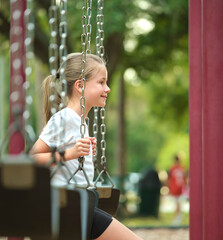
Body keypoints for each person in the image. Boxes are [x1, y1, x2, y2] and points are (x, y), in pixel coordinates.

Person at [30, 53, 142, 240]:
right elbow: (31, 159)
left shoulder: (78, 120)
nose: (107, 89)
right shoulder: (65, 118)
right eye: (101, 82)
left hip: (82, 205)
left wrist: (82, 154)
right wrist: (69, 153)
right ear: (80, 85)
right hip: (69, 207)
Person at [168, 155, 187, 225]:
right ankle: (178, 216)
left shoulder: (172, 168)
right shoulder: (182, 168)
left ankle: (177, 217)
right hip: (181, 187)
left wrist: (169, 187)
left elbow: (169, 179)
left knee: (176, 203)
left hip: (175, 187)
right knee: (178, 203)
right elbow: (185, 178)